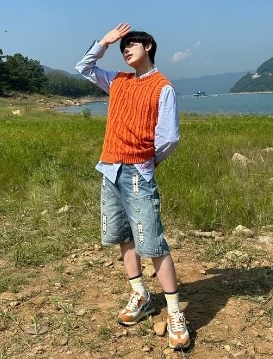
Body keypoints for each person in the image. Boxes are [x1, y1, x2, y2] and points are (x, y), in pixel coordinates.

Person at [75, 23, 190, 350]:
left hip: (137, 172)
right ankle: (141, 296)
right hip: (110, 168)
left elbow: (169, 138)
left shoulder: (162, 87)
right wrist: (104, 42)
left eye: (131, 44)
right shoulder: (118, 80)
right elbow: (84, 68)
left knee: (152, 243)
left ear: (148, 46)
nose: (125, 49)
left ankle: (174, 313)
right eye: (122, 46)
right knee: (123, 235)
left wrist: (146, 161)